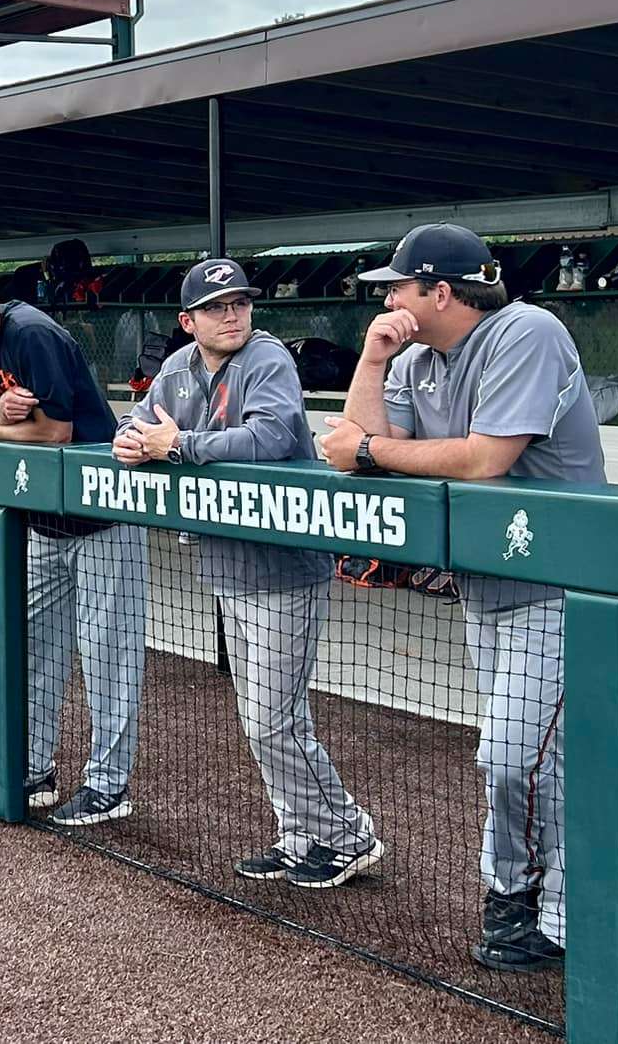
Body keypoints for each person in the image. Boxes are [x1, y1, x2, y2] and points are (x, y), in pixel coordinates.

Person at [322, 223, 590, 972]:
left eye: (397, 288)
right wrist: (372, 360)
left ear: (440, 292)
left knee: (515, 757)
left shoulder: (526, 331)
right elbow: (358, 449)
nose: (387, 300)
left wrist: (368, 449)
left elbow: (483, 459)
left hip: (563, 584)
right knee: (532, 759)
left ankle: (543, 905)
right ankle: (527, 903)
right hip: (485, 587)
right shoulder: (415, 359)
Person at [116, 257, 382, 890]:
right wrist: (132, 439)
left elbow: (270, 437)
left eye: (238, 302)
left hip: (283, 564)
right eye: (215, 307)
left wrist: (177, 446)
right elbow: (136, 420)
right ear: (188, 321)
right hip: (225, 562)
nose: (231, 314)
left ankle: (348, 834)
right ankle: (300, 835)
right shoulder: (177, 368)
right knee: (267, 717)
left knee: (271, 719)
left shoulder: (267, 358)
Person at [0, 262, 149, 825]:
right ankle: (31, 770)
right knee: (31, 647)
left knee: (107, 657)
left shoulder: (31, 332)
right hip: (44, 521)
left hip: (103, 512)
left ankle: (108, 787)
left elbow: (56, 432)